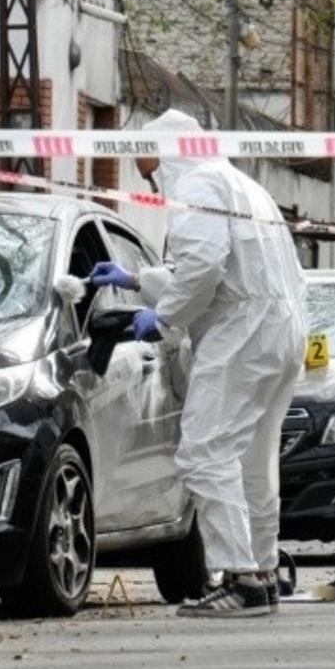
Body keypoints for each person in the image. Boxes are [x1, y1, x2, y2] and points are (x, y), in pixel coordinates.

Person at [88, 109, 307, 617]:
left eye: (145, 165)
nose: (145, 176)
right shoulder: (241, 185)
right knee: (253, 460)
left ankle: (240, 577)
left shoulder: (199, 188)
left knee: (205, 453)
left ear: (165, 152)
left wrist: (162, 319)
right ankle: (264, 571)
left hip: (242, 334)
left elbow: (204, 270)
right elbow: (213, 270)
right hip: (279, 329)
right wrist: (136, 280)